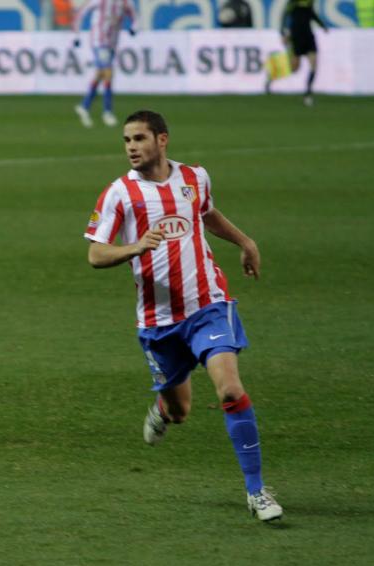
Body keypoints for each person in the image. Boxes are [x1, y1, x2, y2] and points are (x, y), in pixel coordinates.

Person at [84, 110, 283, 522]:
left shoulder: (195, 178)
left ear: (162, 140)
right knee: (180, 412)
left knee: (229, 389)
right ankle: (163, 408)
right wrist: (133, 248)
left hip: (208, 303)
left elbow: (206, 214)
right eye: (126, 140)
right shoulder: (119, 193)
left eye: (139, 138)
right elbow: (95, 253)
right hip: (158, 320)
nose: (131, 148)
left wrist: (245, 241)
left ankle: (257, 490)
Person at [71, 0, 137, 128]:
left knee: (100, 74)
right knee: (108, 73)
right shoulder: (99, 1)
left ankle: (84, 106)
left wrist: (134, 28)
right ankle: (107, 112)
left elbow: (134, 15)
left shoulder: (125, 2)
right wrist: (76, 36)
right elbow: (81, 13)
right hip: (98, 41)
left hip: (112, 42)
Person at [265, 0, 328, 106]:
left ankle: (308, 94)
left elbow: (311, 14)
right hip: (296, 36)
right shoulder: (293, 2)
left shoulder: (310, 2)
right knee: (294, 68)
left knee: (314, 64)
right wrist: (283, 32)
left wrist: (322, 25)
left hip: (308, 35)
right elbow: (285, 15)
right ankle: (272, 77)